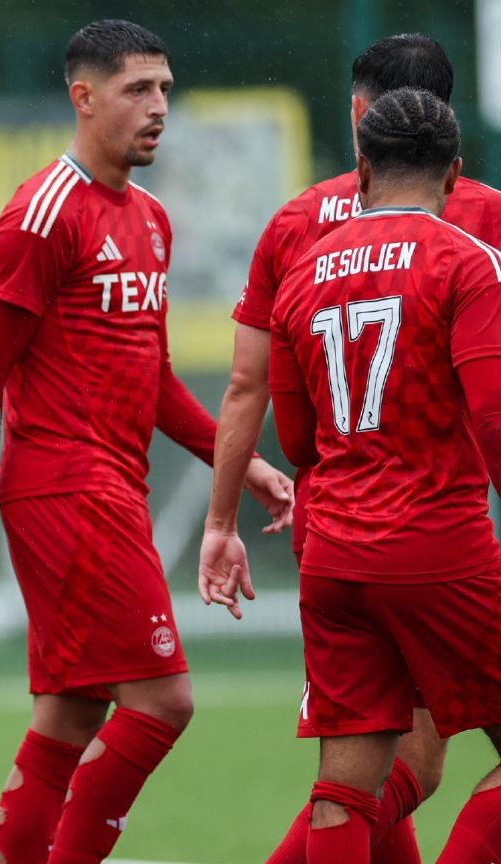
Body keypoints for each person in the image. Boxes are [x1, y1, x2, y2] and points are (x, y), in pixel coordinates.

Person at [0, 20, 294, 864]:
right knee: (163, 704)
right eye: (138, 90)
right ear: (82, 98)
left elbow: (153, 378)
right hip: (66, 488)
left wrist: (245, 463)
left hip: (107, 489)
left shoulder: (152, 218)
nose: (159, 107)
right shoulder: (39, 216)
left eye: (165, 88)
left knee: (72, 714)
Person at [198, 34, 501, 862]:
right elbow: (495, 417)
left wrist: (225, 518)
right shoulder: (473, 249)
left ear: (360, 160)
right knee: (419, 761)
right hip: (439, 538)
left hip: (332, 547)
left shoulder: (306, 251)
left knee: (353, 780)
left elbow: (291, 434)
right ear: (454, 167)